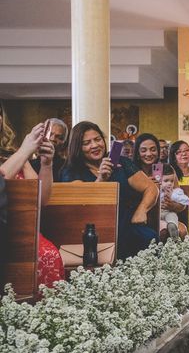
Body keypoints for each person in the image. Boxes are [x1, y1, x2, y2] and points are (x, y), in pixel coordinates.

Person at [60, 122, 158, 260]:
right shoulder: (71, 171)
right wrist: (101, 179)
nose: (94, 145)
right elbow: (84, 205)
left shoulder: (120, 162)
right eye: (86, 143)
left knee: (150, 238)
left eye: (98, 139)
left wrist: (141, 210)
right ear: (77, 147)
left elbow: (151, 188)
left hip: (128, 222)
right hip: (94, 229)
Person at [0, 110, 64, 290]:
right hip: (7, 232)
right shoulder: (19, 154)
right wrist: (24, 150)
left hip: (26, 232)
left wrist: (46, 164)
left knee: (49, 254)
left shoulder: (11, 154)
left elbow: (41, 199)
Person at [29, 117, 68, 181]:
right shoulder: (30, 165)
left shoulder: (67, 166)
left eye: (59, 137)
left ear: (64, 142)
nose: (52, 139)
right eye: (50, 134)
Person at [158, 164, 189, 241]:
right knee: (162, 230)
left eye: (171, 181)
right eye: (166, 181)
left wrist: (172, 202)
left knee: (172, 216)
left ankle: (173, 228)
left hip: (168, 212)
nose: (169, 183)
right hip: (156, 214)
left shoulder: (173, 191)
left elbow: (184, 201)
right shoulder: (158, 190)